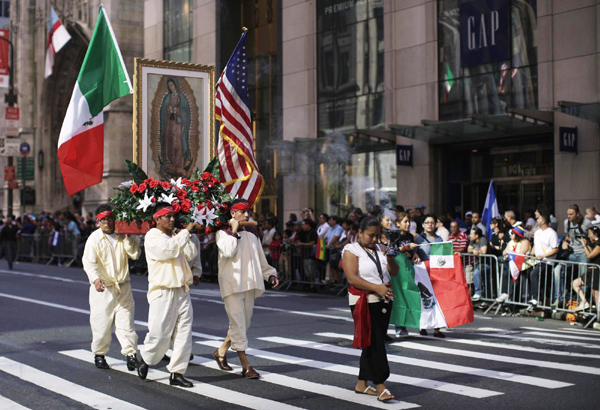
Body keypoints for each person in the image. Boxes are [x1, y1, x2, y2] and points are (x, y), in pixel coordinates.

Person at [213, 199, 279, 379]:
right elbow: (228, 251)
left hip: (250, 283)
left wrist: (270, 275)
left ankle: (220, 352)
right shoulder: (223, 233)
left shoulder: (252, 233)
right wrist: (234, 230)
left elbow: (260, 258)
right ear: (233, 214)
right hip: (232, 284)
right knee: (238, 323)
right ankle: (246, 365)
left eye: (248, 211)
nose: (247, 215)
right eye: (243, 212)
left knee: (243, 323)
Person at [137, 204, 201, 388]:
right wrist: (185, 232)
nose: (172, 219)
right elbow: (167, 251)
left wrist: (186, 234)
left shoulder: (176, 235)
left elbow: (190, 254)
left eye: (174, 216)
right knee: (159, 334)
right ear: (157, 219)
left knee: (184, 333)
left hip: (182, 290)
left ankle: (177, 373)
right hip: (162, 291)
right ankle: (147, 358)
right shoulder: (152, 236)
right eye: (168, 216)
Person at [342, 216, 399, 403]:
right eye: (370, 236)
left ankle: (361, 382)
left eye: (377, 235)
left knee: (373, 341)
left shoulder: (382, 249)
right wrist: (377, 288)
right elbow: (352, 278)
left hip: (384, 299)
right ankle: (381, 384)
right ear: (360, 233)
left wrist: (390, 259)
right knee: (376, 342)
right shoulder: (350, 250)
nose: (374, 239)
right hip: (363, 301)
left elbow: (394, 271)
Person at [82, 205, 141, 371]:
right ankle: (100, 354)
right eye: (103, 220)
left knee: (126, 322)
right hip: (103, 288)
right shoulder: (94, 239)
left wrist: (129, 236)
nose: (107, 222)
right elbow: (89, 262)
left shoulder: (123, 235)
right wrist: (95, 279)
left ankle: (130, 355)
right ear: (97, 223)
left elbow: (134, 254)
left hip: (123, 286)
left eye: (109, 218)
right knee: (101, 323)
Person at [553, 204, 593, 307]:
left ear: (578, 214)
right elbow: (568, 236)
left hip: (583, 253)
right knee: (557, 270)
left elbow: (593, 237)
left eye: (571, 214)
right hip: (572, 253)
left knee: (582, 278)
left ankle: (582, 302)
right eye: (567, 214)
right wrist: (565, 242)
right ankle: (559, 298)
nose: (569, 216)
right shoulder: (567, 222)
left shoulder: (586, 223)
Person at [414, 214, 444, 337]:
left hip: (437, 274)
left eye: (432, 222)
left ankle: (437, 328)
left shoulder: (440, 239)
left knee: (438, 301)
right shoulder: (418, 240)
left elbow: (444, 255)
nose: (430, 225)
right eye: (427, 222)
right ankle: (423, 326)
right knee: (425, 300)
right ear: (423, 225)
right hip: (422, 274)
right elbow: (413, 254)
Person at [393, 212, 420, 337]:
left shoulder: (410, 236)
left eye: (409, 221)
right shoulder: (393, 235)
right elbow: (392, 250)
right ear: (398, 224)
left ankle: (410, 323)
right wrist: (405, 248)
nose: (408, 224)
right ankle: (399, 326)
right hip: (397, 271)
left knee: (409, 295)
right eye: (405, 221)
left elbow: (412, 251)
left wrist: (414, 254)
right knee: (399, 297)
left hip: (408, 270)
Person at [160, 77, 192, 178]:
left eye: (172, 85)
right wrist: (168, 110)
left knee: (177, 144)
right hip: (169, 124)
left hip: (178, 124)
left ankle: (179, 165)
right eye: (169, 86)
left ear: (176, 85)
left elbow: (186, 112)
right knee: (169, 143)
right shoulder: (167, 98)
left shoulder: (182, 97)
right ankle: (168, 164)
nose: (171, 87)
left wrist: (177, 110)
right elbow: (162, 112)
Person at [527, 214, 559, 306]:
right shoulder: (537, 232)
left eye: (539, 219)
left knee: (534, 275)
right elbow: (536, 245)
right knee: (539, 280)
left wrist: (543, 256)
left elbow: (555, 249)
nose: (537, 220)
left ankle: (536, 298)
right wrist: (530, 254)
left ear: (544, 221)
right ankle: (541, 300)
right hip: (537, 261)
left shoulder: (551, 233)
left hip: (547, 261)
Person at [572, 226, 600, 313]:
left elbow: (590, 255)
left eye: (590, 234)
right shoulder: (594, 243)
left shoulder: (599, 244)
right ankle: (584, 302)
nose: (588, 235)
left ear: (595, 234)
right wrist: (587, 244)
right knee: (575, 283)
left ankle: (599, 314)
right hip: (591, 269)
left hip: (597, 270)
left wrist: (584, 245)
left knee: (596, 294)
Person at [500, 225, 531, 303]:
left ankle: (511, 296)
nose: (511, 234)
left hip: (523, 266)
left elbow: (521, 253)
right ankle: (505, 293)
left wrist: (510, 253)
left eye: (512, 233)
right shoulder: (511, 242)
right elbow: (504, 252)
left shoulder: (525, 241)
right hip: (513, 264)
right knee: (505, 273)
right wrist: (510, 253)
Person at [296, 219, 318, 291]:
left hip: (311, 254)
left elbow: (312, 243)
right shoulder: (303, 232)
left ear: (308, 225)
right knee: (306, 271)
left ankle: (313, 285)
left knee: (311, 270)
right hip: (305, 254)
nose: (302, 226)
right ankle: (308, 284)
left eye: (303, 225)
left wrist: (301, 244)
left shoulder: (313, 232)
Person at [468, 228, 489, 301]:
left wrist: (477, 251)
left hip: (487, 263)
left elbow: (484, 251)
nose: (470, 235)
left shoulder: (482, 239)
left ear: (477, 235)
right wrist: (474, 250)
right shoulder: (472, 241)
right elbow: (469, 249)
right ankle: (482, 296)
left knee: (476, 273)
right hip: (478, 263)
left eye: (471, 234)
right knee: (476, 274)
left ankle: (478, 292)